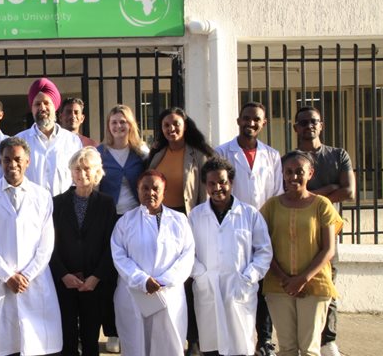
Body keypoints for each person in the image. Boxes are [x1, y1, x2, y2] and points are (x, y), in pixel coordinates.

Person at [0, 137, 63, 356]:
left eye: (17, 159)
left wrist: (27, 275)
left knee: (36, 343)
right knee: (4, 344)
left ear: (27, 162)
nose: (12, 165)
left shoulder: (42, 196)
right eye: (6, 160)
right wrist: (7, 276)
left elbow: (46, 244)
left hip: (34, 280)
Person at [215, 102, 282, 356]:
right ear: (238, 120)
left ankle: (264, 339)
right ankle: (235, 336)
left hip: (264, 226)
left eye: (256, 120)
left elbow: (277, 193)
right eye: (246, 118)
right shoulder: (222, 152)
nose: (250, 123)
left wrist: (265, 223)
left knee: (263, 283)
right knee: (236, 282)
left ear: (263, 123)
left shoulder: (272, 155)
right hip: (233, 227)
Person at [148, 107, 215, 355]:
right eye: (166, 125)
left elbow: (207, 191)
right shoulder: (157, 154)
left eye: (175, 124)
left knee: (189, 282)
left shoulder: (198, 155)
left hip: (188, 220)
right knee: (169, 279)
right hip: (162, 223)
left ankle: (194, 340)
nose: (171, 129)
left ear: (185, 125)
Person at [188, 157, 273, 356]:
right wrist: (200, 275)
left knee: (240, 346)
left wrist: (249, 277)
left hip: (239, 289)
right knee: (212, 346)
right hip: (207, 288)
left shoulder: (250, 214)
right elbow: (186, 252)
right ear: (205, 185)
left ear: (231, 182)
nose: (218, 187)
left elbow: (264, 251)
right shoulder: (196, 216)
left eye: (223, 182)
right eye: (212, 183)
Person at [260, 150, 339, 356]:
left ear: (310, 173)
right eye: (288, 172)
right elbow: (263, 246)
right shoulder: (271, 206)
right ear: (282, 174)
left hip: (315, 285)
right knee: (286, 348)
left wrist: (302, 279)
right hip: (278, 286)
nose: (294, 176)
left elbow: (328, 249)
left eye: (299, 171)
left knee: (310, 349)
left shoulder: (322, 205)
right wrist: (286, 279)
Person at [111, 169, 195, 356]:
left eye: (156, 188)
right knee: (135, 346)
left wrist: (163, 281)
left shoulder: (179, 221)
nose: (150, 193)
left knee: (168, 346)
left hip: (169, 296)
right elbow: (119, 256)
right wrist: (142, 280)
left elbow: (187, 256)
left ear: (164, 191)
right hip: (133, 295)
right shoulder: (125, 221)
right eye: (145, 188)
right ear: (138, 190)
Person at [293, 106, 354, 356]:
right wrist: (329, 188)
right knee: (298, 285)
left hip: (328, 231)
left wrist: (309, 196)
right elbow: (289, 194)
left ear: (322, 125)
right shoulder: (291, 159)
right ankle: (302, 340)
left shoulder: (338, 155)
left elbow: (349, 192)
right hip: (297, 231)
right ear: (295, 127)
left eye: (314, 121)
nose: (309, 126)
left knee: (328, 285)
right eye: (304, 122)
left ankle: (328, 340)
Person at [50, 147, 117, 356]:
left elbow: (111, 245)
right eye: (77, 169)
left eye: (87, 169)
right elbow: (49, 245)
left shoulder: (106, 204)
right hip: (66, 282)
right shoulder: (57, 203)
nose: (82, 174)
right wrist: (63, 275)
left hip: (93, 284)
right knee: (67, 340)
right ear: (71, 172)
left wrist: (96, 277)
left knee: (90, 340)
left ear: (97, 172)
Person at [96, 104, 148, 353]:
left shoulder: (141, 153)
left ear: (130, 125)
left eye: (123, 121)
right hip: (109, 221)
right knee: (109, 276)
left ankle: (136, 324)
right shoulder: (100, 152)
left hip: (134, 219)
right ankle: (113, 331)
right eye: (114, 122)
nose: (118, 126)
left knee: (133, 273)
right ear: (109, 126)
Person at [16, 77, 82, 196]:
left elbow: (78, 177)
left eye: (46, 103)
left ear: (55, 107)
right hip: (31, 207)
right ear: (32, 109)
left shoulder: (72, 141)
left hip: (63, 208)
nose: (42, 108)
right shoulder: (19, 141)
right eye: (37, 104)